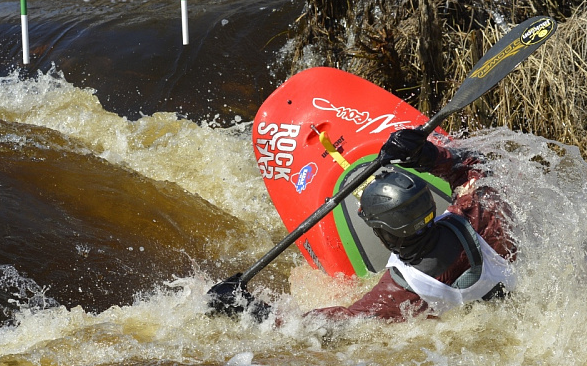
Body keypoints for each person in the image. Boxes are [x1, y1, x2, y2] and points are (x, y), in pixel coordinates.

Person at [209, 128, 517, 322]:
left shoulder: (400, 292)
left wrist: (245, 308)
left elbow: (316, 327)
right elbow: (476, 165)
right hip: (509, 301)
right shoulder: (480, 217)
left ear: (382, 232)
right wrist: (425, 154)